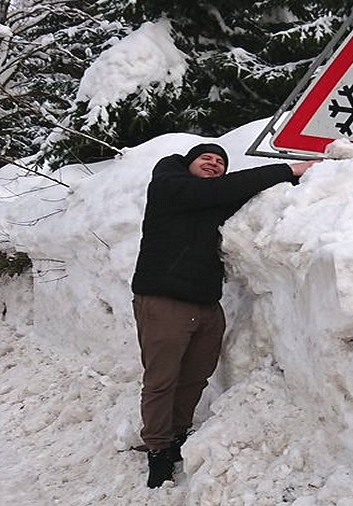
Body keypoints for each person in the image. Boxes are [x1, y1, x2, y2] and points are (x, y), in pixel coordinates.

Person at [130, 143, 317, 488]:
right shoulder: (169, 184)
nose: (214, 164)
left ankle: (177, 436)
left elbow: (247, 196)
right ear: (188, 163)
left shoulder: (210, 200)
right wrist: (289, 169)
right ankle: (157, 448)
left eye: (220, 162)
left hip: (206, 306)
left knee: (194, 377)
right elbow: (220, 189)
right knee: (162, 379)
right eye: (206, 158)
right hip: (164, 302)